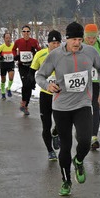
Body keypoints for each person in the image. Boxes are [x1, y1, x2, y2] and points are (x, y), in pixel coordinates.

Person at [34, 22, 100, 196]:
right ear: (67, 39)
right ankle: (66, 181)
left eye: (80, 39)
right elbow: (40, 75)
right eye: (74, 39)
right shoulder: (55, 55)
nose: (77, 43)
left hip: (83, 104)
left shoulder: (90, 52)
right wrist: (47, 86)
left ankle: (79, 161)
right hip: (61, 107)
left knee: (85, 141)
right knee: (65, 146)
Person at [31, 30, 62, 161]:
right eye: (53, 43)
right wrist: (29, 82)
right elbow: (32, 71)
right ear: (48, 43)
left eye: (58, 43)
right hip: (45, 95)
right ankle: (50, 150)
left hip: (60, 96)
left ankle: (57, 132)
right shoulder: (40, 54)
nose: (55, 45)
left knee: (61, 122)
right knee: (46, 124)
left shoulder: (65, 55)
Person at [83, 24, 100, 151]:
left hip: (95, 80)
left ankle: (94, 137)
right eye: (89, 38)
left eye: (93, 38)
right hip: (83, 81)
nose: (91, 40)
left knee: (96, 107)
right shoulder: (80, 43)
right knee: (83, 107)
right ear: (85, 36)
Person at [13, 25, 41, 116]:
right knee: (26, 83)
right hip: (22, 66)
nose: (26, 33)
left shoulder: (34, 41)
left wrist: (35, 52)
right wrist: (16, 56)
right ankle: (24, 103)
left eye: (27, 31)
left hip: (31, 66)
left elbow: (39, 51)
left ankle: (25, 104)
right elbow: (13, 49)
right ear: (22, 32)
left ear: (30, 32)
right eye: (24, 31)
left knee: (29, 85)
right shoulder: (18, 41)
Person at [0, 32, 15, 100]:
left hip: (11, 64)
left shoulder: (13, 46)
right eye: (7, 38)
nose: (8, 39)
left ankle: (8, 88)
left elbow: (16, 53)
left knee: (11, 77)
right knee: (3, 80)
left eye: (9, 38)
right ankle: (3, 93)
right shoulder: (1, 47)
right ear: (4, 39)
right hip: (3, 65)